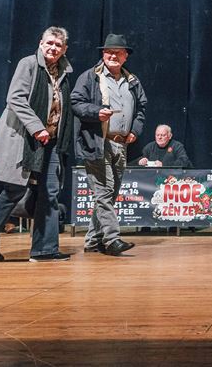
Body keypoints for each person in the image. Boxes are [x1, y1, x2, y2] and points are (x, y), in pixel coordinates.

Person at [0, 27, 75, 262]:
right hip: (22, 138)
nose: (53, 48)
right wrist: (37, 127)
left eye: (58, 45)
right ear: (41, 43)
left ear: (65, 49)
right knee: (14, 189)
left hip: (50, 142)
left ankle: (44, 249)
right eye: (49, 43)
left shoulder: (63, 72)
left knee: (49, 193)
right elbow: (15, 98)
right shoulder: (28, 64)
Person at [71, 34, 147, 257]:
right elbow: (75, 103)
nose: (112, 55)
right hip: (97, 142)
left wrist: (135, 130)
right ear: (103, 55)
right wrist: (96, 112)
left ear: (125, 56)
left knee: (110, 195)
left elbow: (142, 109)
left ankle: (93, 240)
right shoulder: (90, 77)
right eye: (108, 52)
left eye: (117, 52)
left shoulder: (132, 80)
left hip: (120, 145)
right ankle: (112, 239)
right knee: (104, 193)